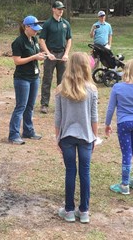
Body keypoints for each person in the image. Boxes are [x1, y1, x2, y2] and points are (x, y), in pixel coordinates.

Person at [54, 52, 98, 224]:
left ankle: (69, 211)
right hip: (86, 137)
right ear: (87, 67)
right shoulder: (92, 90)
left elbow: (58, 118)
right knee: (85, 172)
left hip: (66, 137)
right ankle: (84, 211)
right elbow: (94, 117)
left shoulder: (60, 89)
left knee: (70, 172)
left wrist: (57, 138)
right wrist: (95, 137)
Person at [105, 59, 133, 195]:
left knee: (126, 153)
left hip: (123, 124)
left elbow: (111, 108)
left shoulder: (117, 87)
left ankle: (124, 184)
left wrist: (107, 124)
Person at [8, 15, 47, 145]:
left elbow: (35, 54)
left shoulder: (34, 39)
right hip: (22, 79)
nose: (36, 31)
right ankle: (14, 134)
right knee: (21, 106)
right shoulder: (18, 42)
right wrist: (34, 57)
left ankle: (28, 131)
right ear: (26, 27)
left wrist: (41, 56)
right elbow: (17, 61)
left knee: (30, 106)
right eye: (34, 29)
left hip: (34, 77)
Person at [39, 1, 72, 114]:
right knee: (47, 79)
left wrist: (66, 53)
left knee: (62, 80)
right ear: (53, 9)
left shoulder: (66, 24)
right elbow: (41, 39)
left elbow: (69, 39)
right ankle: (44, 104)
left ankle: (61, 104)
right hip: (51, 55)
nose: (61, 11)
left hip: (62, 55)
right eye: (58, 9)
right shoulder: (48, 24)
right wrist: (48, 53)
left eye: (62, 9)